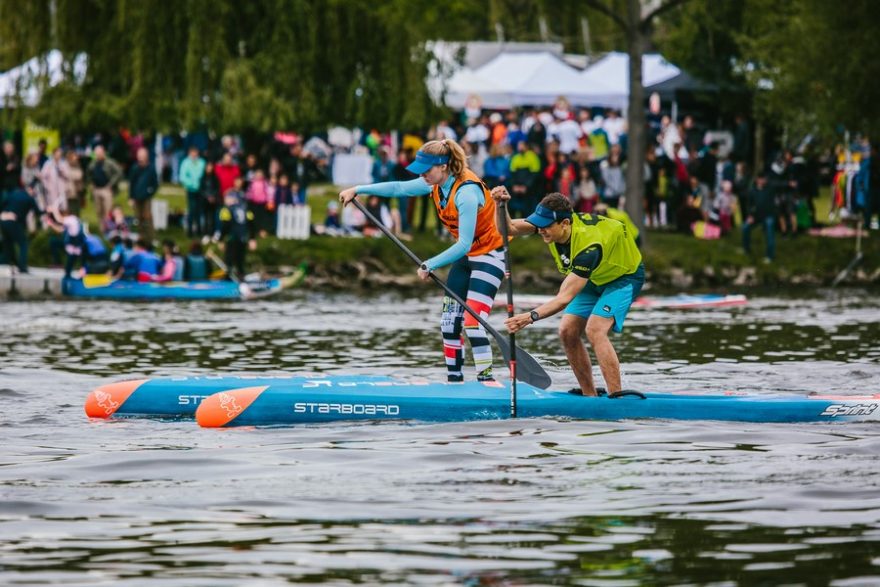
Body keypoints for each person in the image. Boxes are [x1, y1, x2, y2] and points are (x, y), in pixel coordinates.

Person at [339, 139, 506, 383]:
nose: (423, 175)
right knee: (449, 323)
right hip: (466, 258)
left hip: (489, 256)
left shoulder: (467, 193)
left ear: (444, 166)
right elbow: (399, 188)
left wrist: (430, 264)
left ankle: (486, 381)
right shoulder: (436, 183)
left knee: (473, 324)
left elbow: (464, 244)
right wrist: (359, 189)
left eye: (427, 170)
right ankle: (454, 382)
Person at [491, 188, 644, 396]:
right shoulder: (552, 224)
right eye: (539, 224)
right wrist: (500, 204)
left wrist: (530, 316)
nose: (541, 229)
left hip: (624, 277)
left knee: (595, 329)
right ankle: (589, 394)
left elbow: (564, 298)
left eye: (546, 226)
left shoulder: (589, 249)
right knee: (567, 331)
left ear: (565, 224)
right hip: (594, 277)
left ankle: (616, 397)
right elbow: (506, 228)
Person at [214, 178, 256, 281]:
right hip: (243, 238)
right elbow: (251, 224)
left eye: (227, 198)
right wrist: (252, 238)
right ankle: (241, 279)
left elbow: (225, 225)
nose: (225, 200)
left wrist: (220, 240)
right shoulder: (245, 208)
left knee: (229, 262)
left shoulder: (226, 210)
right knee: (240, 261)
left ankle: (228, 283)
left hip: (232, 238)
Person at [1, 187, 43, 273]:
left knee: (8, 245)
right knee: (23, 244)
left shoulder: (13, 193)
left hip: (3, 220)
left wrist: (4, 214)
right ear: (31, 190)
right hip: (13, 221)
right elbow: (38, 212)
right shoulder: (30, 198)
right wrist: (47, 210)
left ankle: (6, 262)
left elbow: (3, 204)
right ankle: (22, 267)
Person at [127, 147, 158, 241]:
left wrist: (150, 192)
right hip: (136, 197)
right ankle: (141, 237)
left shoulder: (151, 168)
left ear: (146, 156)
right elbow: (131, 183)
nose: (140, 158)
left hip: (146, 197)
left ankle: (151, 237)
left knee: (147, 217)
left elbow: (155, 184)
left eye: (142, 156)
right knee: (138, 217)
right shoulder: (135, 168)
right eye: (139, 156)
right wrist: (131, 197)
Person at [87, 145, 123, 225]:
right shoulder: (93, 164)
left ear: (103, 153)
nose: (98, 155)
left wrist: (111, 184)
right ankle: (102, 229)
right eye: (96, 154)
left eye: (99, 153)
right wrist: (91, 184)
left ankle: (109, 228)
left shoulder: (109, 163)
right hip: (96, 189)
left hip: (106, 189)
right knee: (99, 211)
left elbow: (118, 173)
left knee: (108, 211)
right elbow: (89, 175)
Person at [179, 146, 206, 237]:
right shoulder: (186, 163)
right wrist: (192, 185)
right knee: (192, 209)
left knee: (199, 210)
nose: (194, 154)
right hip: (191, 189)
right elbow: (183, 177)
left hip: (201, 190)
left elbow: (204, 175)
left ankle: (199, 230)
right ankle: (190, 230)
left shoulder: (202, 162)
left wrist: (200, 185)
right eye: (192, 152)